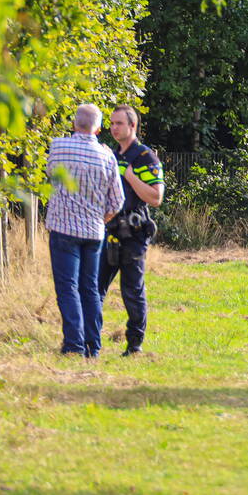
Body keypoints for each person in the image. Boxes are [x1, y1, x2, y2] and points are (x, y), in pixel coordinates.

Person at [45, 104, 125, 357]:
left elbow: (51, 176)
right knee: (89, 288)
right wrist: (101, 219)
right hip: (93, 231)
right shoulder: (107, 156)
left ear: (73, 124)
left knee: (67, 287)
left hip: (63, 228)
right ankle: (93, 345)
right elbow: (117, 201)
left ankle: (73, 344)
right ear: (99, 129)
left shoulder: (57, 146)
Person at [98, 105, 165, 357]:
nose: (114, 128)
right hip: (108, 230)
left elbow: (156, 197)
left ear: (132, 126)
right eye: (112, 123)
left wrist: (129, 177)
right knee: (95, 286)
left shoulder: (145, 156)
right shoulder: (110, 154)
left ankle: (134, 345)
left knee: (132, 290)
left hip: (133, 233)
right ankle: (90, 340)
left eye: (119, 124)